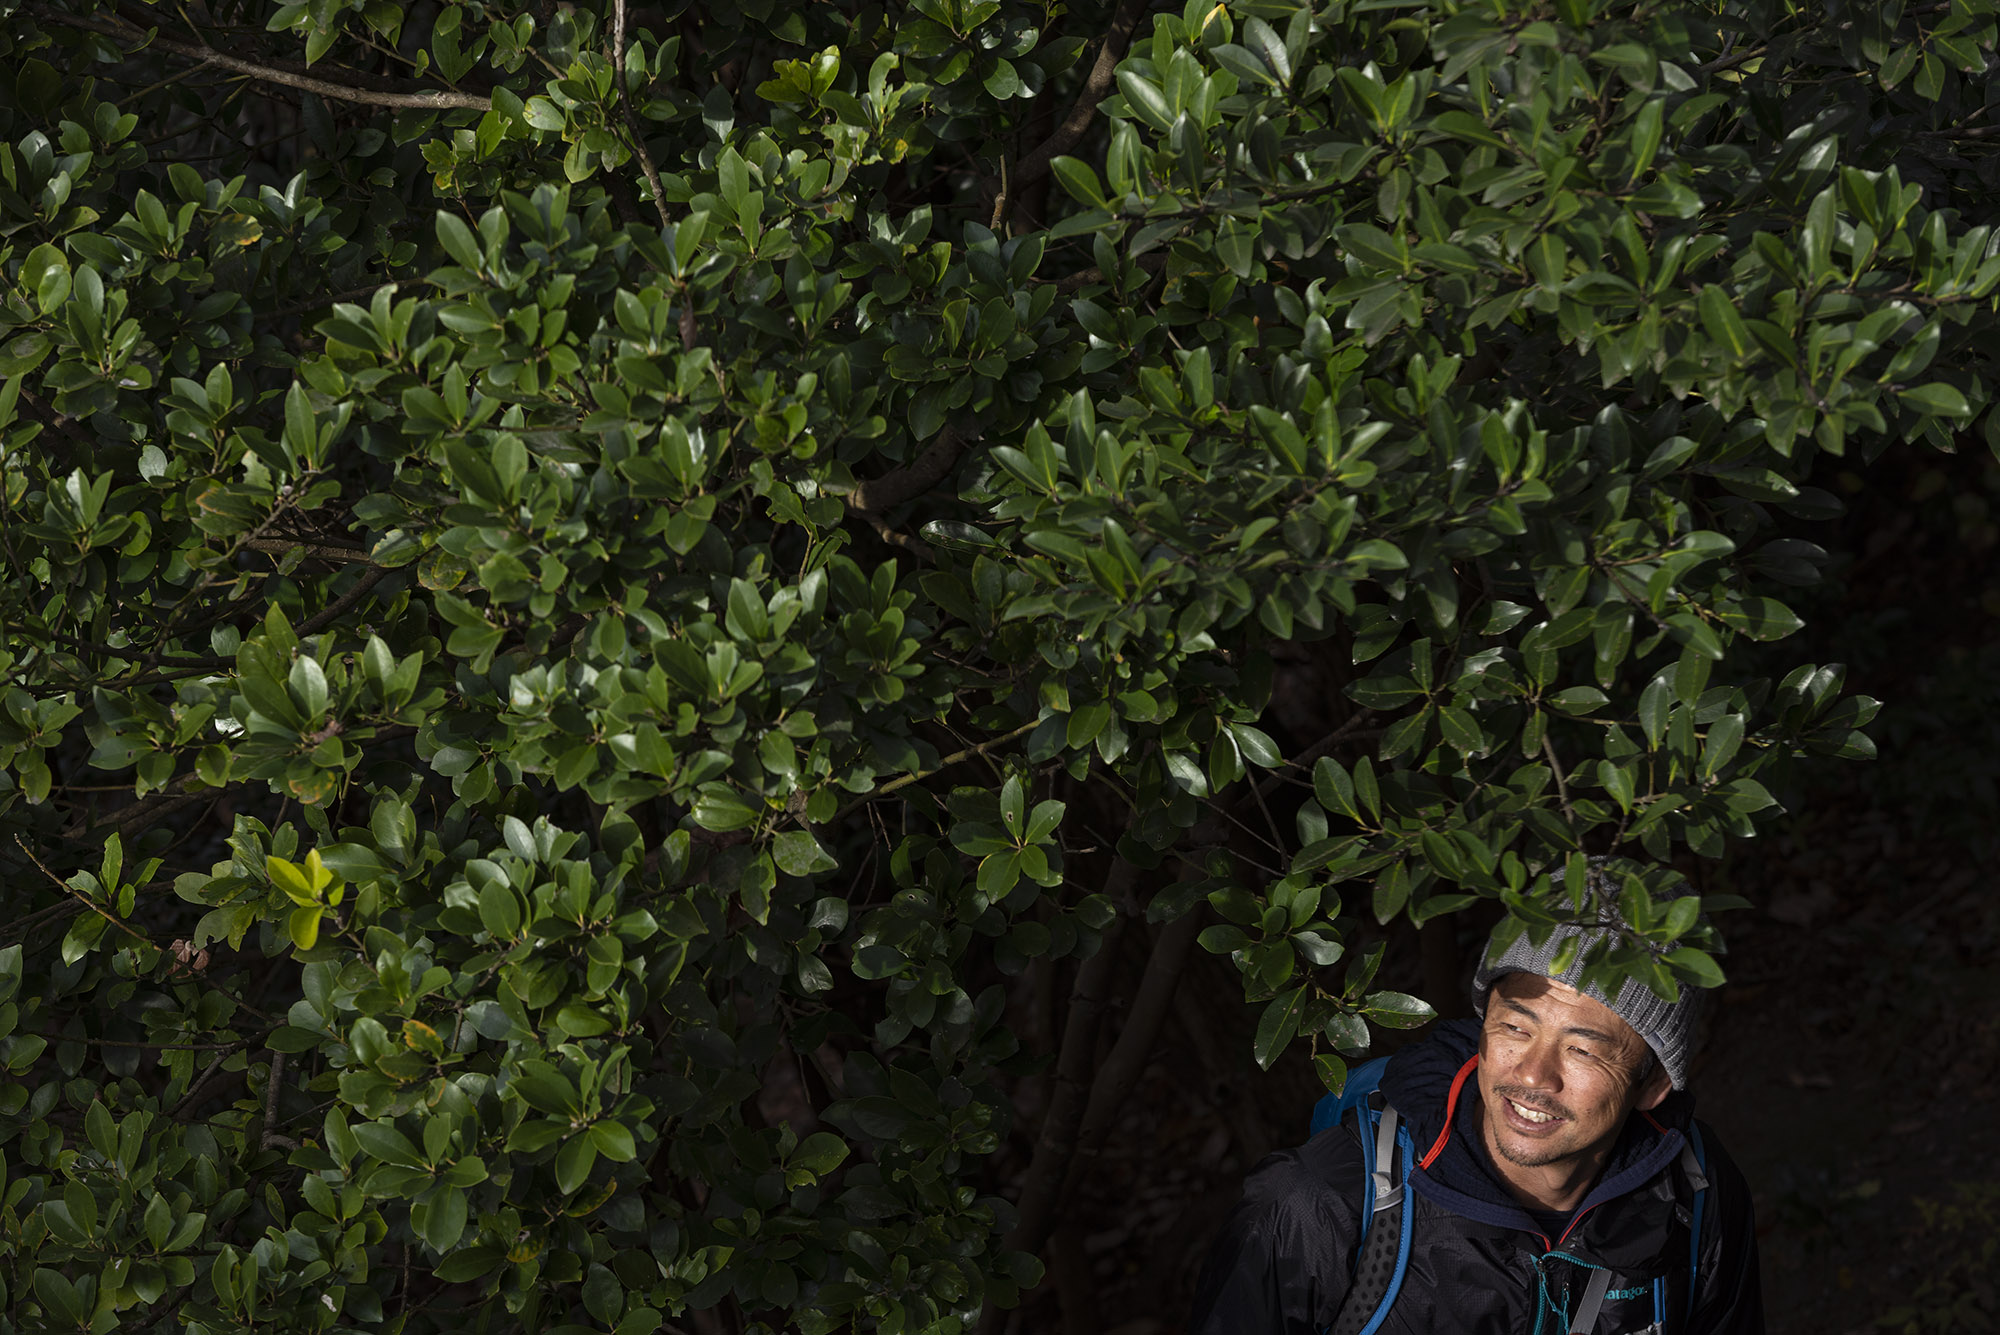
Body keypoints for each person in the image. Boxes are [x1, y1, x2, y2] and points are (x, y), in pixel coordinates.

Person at [1189, 881, 1764, 1334]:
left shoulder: (1696, 1193)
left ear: (1654, 1085)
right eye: (1515, 1026)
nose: (1533, 1075)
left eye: (1584, 1049)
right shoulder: (1319, 1207)